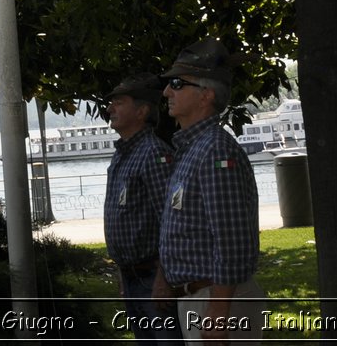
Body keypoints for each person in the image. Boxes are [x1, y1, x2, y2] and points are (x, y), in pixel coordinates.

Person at [155, 38, 264, 344]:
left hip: (217, 302)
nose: (166, 92)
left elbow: (231, 241)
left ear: (206, 95)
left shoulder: (215, 150)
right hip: (202, 299)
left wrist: (217, 313)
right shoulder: (193, 149)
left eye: (177, 84)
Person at [102, 73, 178, 343]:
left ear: (142, 110)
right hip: (133, 277)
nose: (110, 108)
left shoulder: (154, 154)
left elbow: (170, 221)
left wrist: (164, 278)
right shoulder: (123, 154)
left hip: (153, 278)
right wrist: (124, 273)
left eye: (119, 102)